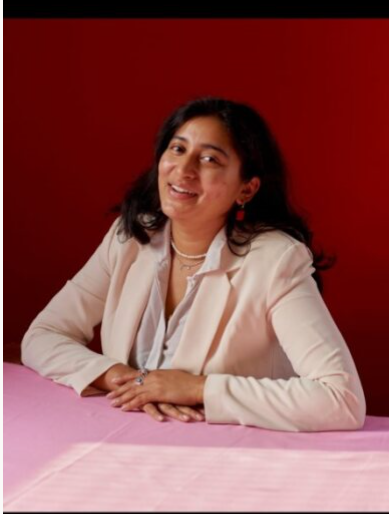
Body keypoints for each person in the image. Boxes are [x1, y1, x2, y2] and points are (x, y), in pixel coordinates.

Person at [21, 96, 366, 431]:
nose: (183, 170)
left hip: (236, 456)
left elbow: (341, 399)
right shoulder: (131, 238)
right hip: (130, 440)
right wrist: (125, 379)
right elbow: (43, 335)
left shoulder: (276, 260)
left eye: (210, 159)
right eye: (178, 149)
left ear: (246, 189)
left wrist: (197, 388)